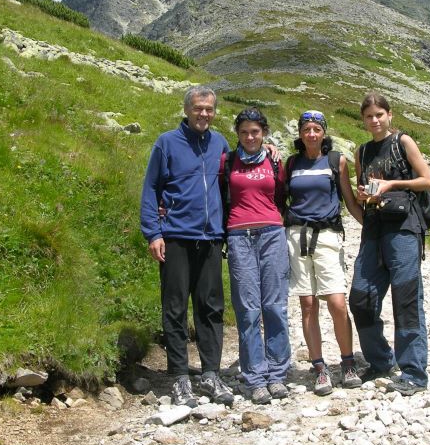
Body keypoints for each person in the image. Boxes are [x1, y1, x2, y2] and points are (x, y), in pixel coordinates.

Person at [140, 85, 235, 407]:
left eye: (209, 109)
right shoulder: (167, 143)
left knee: (211, 308)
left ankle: (211, 372)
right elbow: (151, 188)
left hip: (210, 239)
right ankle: (179, 376)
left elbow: (231, 183)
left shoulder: (220, 143)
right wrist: (153, 233)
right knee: (176, 307)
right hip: (177, 237)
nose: (204, 114)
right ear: (187, 109)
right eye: (198, 108)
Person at [349, 92, 430, 396]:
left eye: (379, 115)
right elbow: (365, 191)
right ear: (363, 119)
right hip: (373, 228)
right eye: (369, 116)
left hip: (404, 229)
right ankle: (382, 360)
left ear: (389, 115)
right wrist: (363, 196)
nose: (374, 120)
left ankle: (414, 373)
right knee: (361, 298)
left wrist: (392, 184)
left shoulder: (403, 142)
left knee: (406, 299)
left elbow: (427, 180)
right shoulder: (361, 152)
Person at [285, 110, 365, 396]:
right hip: (297, 235)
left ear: (323, 132)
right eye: (306, 129)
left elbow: (350, 199)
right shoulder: (291, 163)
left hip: (328, 235)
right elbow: (280, 200)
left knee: (336, 302)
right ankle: (319, 367)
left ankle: (347, 362)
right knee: (307, 303)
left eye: (316, 129)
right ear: (300, 133)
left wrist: (370, 227)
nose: (311, 134)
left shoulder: (336, 161)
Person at [221, 108, 290, 405]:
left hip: (273, 234)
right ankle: (255, 376)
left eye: (256, 132)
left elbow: (284, 195)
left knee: (275, 305)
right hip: (239, 237)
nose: (250, 137)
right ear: (237, 134)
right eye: (245, 132)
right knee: (247, 308)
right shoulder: (227, 161)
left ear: (264, 133)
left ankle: (277, 373)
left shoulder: (275, 161)